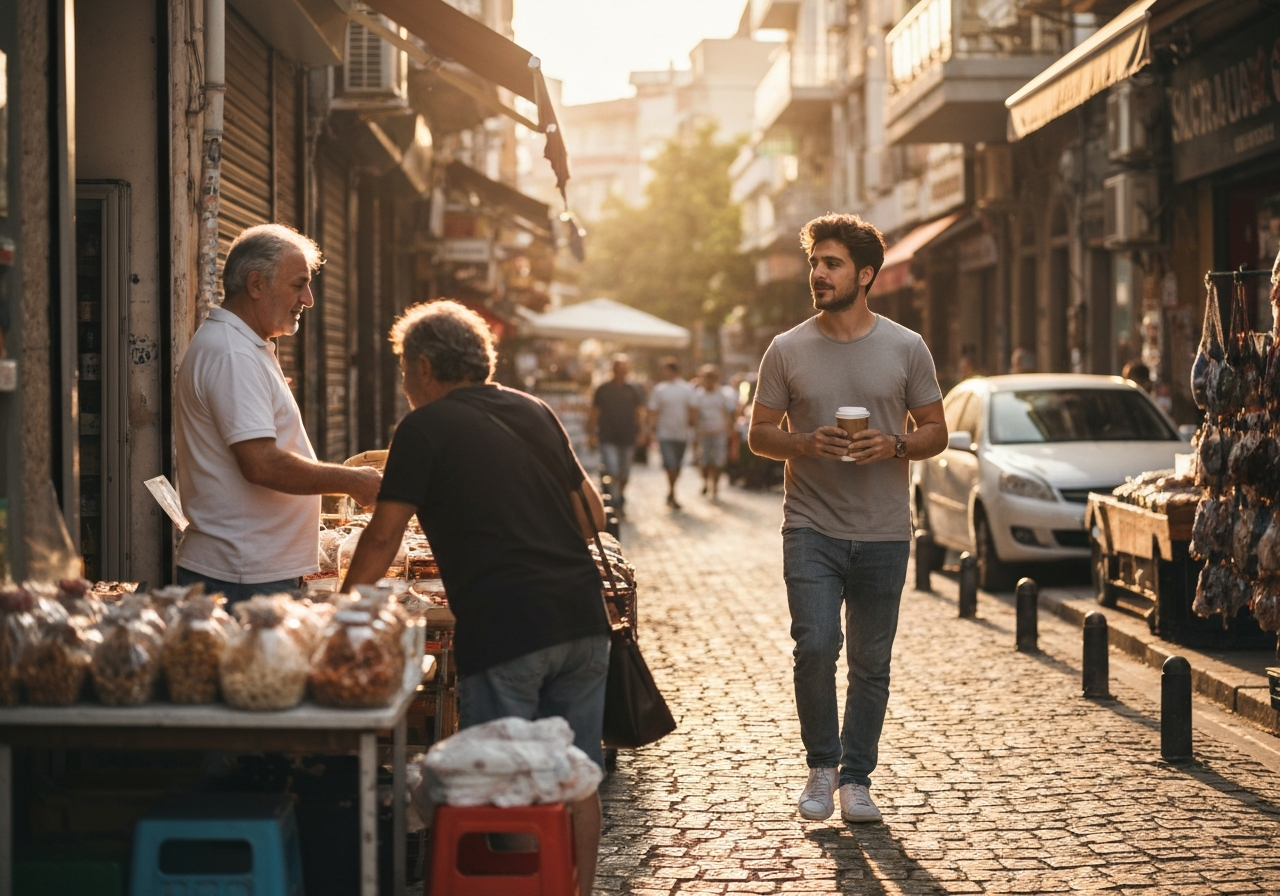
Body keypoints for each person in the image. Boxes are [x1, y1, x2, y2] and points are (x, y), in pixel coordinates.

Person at [341, 300, 611, 893]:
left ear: (427, 366)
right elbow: (590, 510)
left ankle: (525, 884)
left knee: (508, 781)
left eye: (405, 369)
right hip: (583, 619)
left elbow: (383, 535)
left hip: (506, 625)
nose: (405, 383)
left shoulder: (422, 428)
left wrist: (343, 611)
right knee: (576, 775)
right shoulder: (533, 410)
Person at [747, 213, 947, 825]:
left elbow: (937, 431)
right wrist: (803, 443)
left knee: (870, 663)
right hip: (810, 525)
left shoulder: (907, 347)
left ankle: (858, 778)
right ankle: (821, 765)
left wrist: (894, 446)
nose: (818, 274)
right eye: (814, 263)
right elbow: (758, 436)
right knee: (815, 646)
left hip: (885, 529)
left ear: (865, 275)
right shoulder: (786, 349)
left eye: (830, 264)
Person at [174, 224, 381, 602]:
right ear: (256, 285)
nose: (308, 298)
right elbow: (261, 464)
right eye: (298, 284)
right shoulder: (232, 354)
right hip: (242, 575)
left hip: (252, 571)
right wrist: (353, 481)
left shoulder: (244, 346)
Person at [589, 355, 645, 514]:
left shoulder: (634, 389)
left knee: (624, 471)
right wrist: (591, 433)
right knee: (612, 468)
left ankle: (620, 495)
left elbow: (639, 412)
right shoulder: (603, 389)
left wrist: (642, 432)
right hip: (607, 436)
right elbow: (595, 412)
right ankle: (613, 499)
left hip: (628, 436)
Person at [647, 357, 696, 508]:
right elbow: (654, 411)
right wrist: (653, 429)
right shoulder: (660, 390)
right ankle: (672, 492)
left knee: (677, 465)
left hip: (681, 433)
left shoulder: (686, 389)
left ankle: (672, 490)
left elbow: (692, 409)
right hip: (665, 433)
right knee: (670, 464)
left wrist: (691, 425)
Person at [689, 365, 738, 501]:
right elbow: (694, 414)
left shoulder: (722, 394)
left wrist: (730, 428)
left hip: (719, 432)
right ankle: (705, 481)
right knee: (704, 461)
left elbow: (728, 412)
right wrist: (695, 431)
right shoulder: (698, 395)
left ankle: (715, 486)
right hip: (703, 432)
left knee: (718, 461)